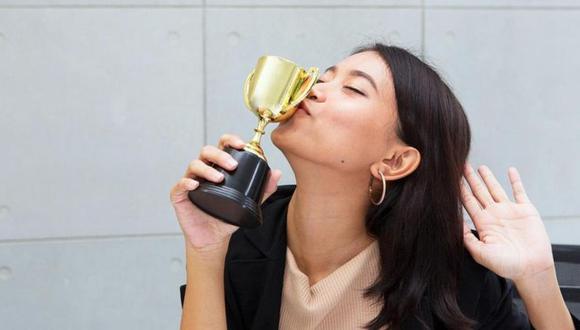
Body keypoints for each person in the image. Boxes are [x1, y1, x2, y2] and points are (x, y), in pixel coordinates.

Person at [170, 43, 579, 329]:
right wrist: (206, 252)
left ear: (396, 160)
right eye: (324, 77)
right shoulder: (242, 238)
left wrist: (538, 277)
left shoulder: (450, 272)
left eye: (352, 88)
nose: (310, 89)